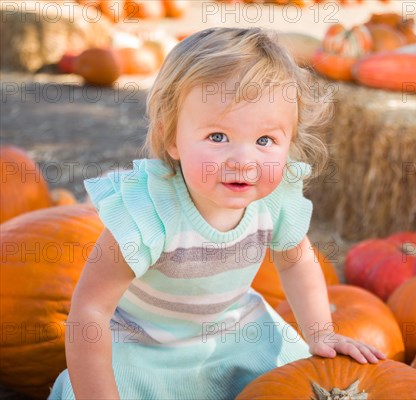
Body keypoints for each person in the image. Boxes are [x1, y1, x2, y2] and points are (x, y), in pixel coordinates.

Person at [48, 27, 385, 400]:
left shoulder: (273, 198)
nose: (243, 161)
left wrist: (321, 333)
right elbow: (90, 309)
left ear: (289, 142)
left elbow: (295, 260)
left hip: (235, 334)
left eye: (265, 141)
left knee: (299, 385)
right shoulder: (149, 210)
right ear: (171, 137)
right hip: (143, 348)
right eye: (218, 137)